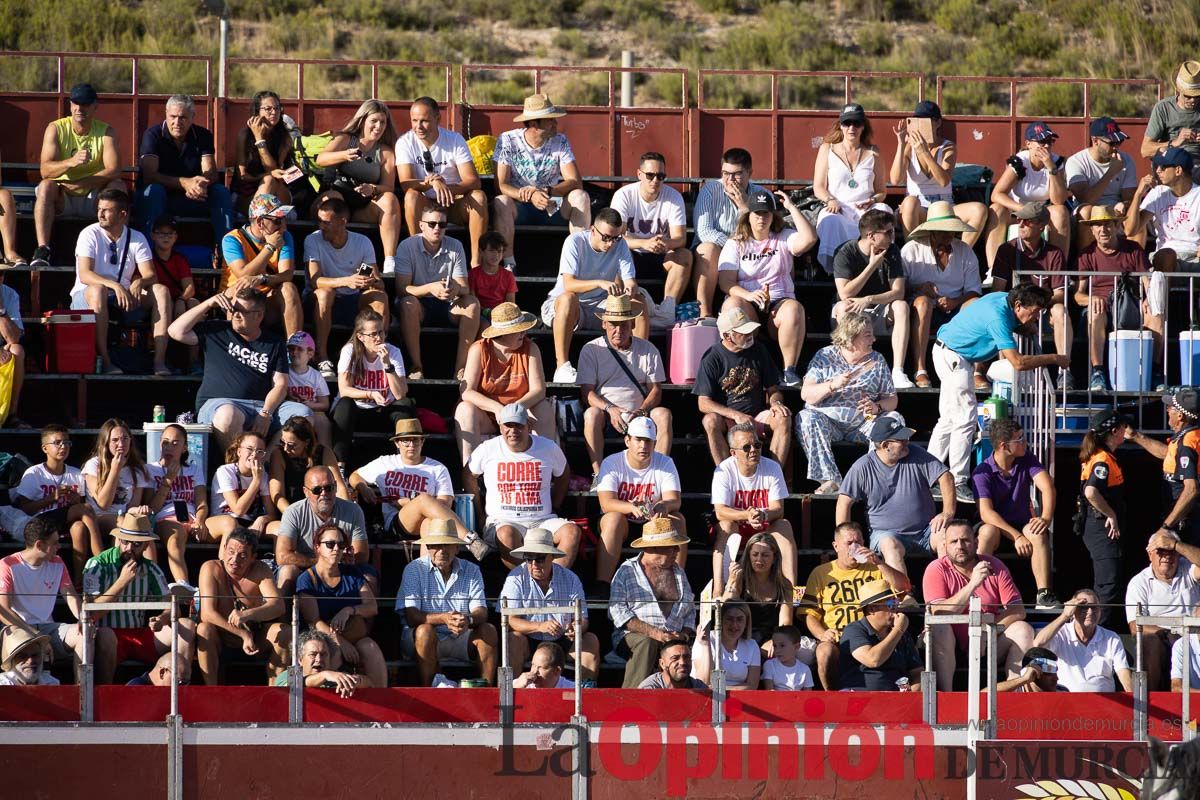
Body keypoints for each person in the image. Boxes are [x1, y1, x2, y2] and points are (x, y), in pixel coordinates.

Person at [928, 284, 1067, 491]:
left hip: (947, 351)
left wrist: (1021, 325)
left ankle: (927, 476)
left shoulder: (1005, 299)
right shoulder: (998, 317)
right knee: (965, 418)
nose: (1037, 318)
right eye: (1035, 312)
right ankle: (958, 481)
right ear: (1018, 305)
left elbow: (1010, 322)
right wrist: (1055, 358)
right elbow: (1018, 362)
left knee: (948, 420)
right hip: (955, 357)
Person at [169, 284, 306, 455]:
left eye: (243, 311)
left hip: (260, 406)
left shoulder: (274, 342)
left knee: (303, 414)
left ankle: (265, 462)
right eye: (234, 309)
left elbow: (280, 384)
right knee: (228, 415)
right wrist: (208, 303)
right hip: (218, 404)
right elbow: (175, 331)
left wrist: (266, 413)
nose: (236, 315)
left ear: (259, 315)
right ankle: (238, 469)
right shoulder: (217, 330)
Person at [82, 510, 194, 685]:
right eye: (125, 542)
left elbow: (172, 608)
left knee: (186, 626)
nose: (129, 548)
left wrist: (161, 618)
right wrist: (122, 581)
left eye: (136, 544)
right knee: (105, 635)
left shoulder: (151, 569)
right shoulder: (97, 564)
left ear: (145, 545)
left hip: (139, 634)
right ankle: (104, 694)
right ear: (118, 539)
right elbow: (91, 614)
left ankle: (181, 688)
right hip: (108, 635)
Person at [837, 416, 956, 579]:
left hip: (926, 531)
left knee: (946, 535)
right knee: (890, 545)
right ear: (886, 445)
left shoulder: (916, 453)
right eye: (901, 439)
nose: (907, 441)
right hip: (886, 533)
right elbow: (844, 503)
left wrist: (947, 513)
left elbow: (946, 477)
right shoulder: (862, 467)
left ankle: (950, 588)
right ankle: (904, 596)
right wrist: (845, 539)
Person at [717, 190, 815, 385]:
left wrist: (791, 207)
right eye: (757, 213)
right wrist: (750, 295)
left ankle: (790, 370)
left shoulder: (784, 236)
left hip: (779, 302)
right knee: (731, 306)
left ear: (773, 216)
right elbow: (725, 282)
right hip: (749, 302)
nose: (761, 218)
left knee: (794, 309)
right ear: (748, 216)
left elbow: (810, 238)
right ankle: (740, 366)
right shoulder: (735, 243)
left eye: (766, 213)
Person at [797, 311, 902, 495]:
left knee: (894, 418)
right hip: (828, 422)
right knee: (806, 418)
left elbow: (892, 399)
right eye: (868, 335)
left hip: (863, 424)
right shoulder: (825, 356)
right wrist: (832, 385)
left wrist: (877, 407)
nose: (874, 339)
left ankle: (876, 479)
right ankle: (831, 480)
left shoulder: (877, 360)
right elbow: (807, 394)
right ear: (850, 338)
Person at [924, 520, 1034, 691]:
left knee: (1023, 629)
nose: (960, 546)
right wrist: (973, 584)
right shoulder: (936, 568)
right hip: (951, 645)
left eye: (965, 540)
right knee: (940, 626)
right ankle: (947, 698)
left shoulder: (995, 565)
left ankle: (1015, 693)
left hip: (988, 642)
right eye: (954, 542)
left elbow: (1017, 610)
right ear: (945, 545)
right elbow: (939, 612)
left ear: (976, 543)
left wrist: (986, 631)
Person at [72, 188, 173, 375]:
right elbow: (85, 274)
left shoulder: (137, 237)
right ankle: (106, 361)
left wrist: (139, 283)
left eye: (106, 210)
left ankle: (159, 361)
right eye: (99, 209)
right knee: (98, 290)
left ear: (122, 215)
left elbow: (151, 275)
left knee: (160, 290)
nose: (100, 214)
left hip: (122, 299)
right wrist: (115, 285)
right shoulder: (89, 233)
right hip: (87, 296)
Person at [800, 521, 911, 690]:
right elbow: (809, 614)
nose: (855, 547)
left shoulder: (875, 568)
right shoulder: (821, 573)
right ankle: (833, 700)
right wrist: (823, 634)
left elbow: (904, 588)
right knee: (824, 651)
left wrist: (878, 562)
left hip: (871, 636)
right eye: (849, 543)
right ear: (836, 546)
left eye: (859, 542)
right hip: (839, 640)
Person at [542, 208, 648, 383]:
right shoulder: (574, 241)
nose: (611, 243)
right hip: (566, 307)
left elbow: (630, 280)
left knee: (639, 302)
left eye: (615, 238)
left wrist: (630, 287)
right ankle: (562, 366)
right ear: (592, 230)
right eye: (606, 237)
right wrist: (600, 282)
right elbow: (569, 284)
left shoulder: (620, 244)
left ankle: (637, 365)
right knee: (569, 298)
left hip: (600, 306)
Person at [467, 402, 579, 568]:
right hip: (503, 520)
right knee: (506, 534)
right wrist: (479, 512)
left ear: (528, 426)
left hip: (542, 519)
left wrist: (556, 505)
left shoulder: (548, 447)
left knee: (572, 531)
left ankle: (554, 581)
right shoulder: (488, 449)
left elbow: (563, 474)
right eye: (508, 425)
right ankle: (527, 585)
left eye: (518, 425)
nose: (513, 431)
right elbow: (469, 475)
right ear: (500, 427)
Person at [454, 302, 556, 477]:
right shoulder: (479, 349)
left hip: (522, 413)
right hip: (488, 415)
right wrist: (499, 410)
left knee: (544, 408)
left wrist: (514, 411)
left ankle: (547, 472)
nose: (524, 333)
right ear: (503, 333)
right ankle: (471, 475)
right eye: (519, 329)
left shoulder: (531, 348)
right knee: (464, 409)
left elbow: (539, 390)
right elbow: (467, 391)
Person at [492, 93, 591, 266]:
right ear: (534, 124)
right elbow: (500, 185)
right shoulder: (508, 139)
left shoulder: (560, 140)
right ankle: (508, 265)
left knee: (581, 197)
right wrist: (529, 196)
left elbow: (575, 181)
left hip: (551, 205)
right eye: (550, 119)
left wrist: (546, 191)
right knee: (501, 202)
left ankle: (579, 263)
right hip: (520, 207)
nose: (555, 123)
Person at [971, 418, 1060, 610]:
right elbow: (986, 512)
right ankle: (979, 592)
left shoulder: (1026, 458)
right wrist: (1016, 536)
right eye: (1019, 439)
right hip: (998, 527)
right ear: (1004, 446)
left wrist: (1045, 517)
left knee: (1036, 531)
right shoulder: (982, 472)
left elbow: (1047, 487)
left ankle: (1044, 594)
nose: (1025, 442)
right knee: (987, 532)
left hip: (1022, 524)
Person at [32, 82, 124, 268]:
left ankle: (117, 247)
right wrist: (71, 162)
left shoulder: (106, 132)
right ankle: (43, 249)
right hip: (62, 197)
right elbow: (45, 170)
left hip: (95, 198)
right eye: (76, 103)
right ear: (70, 105)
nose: (79, 108)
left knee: (118, 187)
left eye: (85, 104)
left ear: (95, 106)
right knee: (45, 186)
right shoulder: (56, 128)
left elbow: (114, 169)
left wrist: (83, 183)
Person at [397, 519, 498, 686]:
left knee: (488, 630)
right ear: (428, 548)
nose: (442, 550)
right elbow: (411, 616)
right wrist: (444, 618)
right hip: (422, 639)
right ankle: (430, 693)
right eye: (436, 545)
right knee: (424, 631)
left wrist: (468, 620)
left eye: (448, 544)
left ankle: (485, 692)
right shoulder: (414, 569)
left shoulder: (472, 570)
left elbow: (481, 611)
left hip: (460, 636)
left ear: (457, 548)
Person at [579, 293, 671, 476]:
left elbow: (655, 390)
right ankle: (598, 474)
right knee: (591, 414)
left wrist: (642, 411)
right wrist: (610, 408)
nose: (618, 330)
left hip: (640, 412)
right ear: (604, 324)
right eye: (613, 324)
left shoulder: (648, 349)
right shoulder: (591, 349)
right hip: (607, 414)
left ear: (633, 325)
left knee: (663, 414)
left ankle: (658, 474)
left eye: (623, 325)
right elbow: (587, 392)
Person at [1075, 205, 1162, 393]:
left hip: (1130, 304)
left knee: (1155, 313)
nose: (1103, 229)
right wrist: (1090, 299)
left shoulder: (1133, 249)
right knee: (1095, 313)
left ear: (1117, 226)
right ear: (1092, 230)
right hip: (1102, 308)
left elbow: (1147, 282)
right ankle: (1097, 372)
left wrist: (1148, 299)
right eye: (1097, 225)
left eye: (1108, 224)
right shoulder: (1086, 254)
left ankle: (1155, 372)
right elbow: (1078, 294)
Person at [0, 515, 100, 676]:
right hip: (18, 628)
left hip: (48, 628)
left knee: (84, 634)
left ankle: (82, 692)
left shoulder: (58, 562)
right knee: (25, 645)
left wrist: (83, 619)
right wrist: (37, 637)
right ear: (40, 545)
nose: (59, 546)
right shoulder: (7, 564)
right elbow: (3, 611)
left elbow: (71, 596)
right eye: (54, 543)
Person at [350, 417, 474, 548]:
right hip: (397, 524)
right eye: (405, 441)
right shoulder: (385, 463)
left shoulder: (438, 468)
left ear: (422, 441)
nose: (411, 445)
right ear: (397, 443)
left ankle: (425, 567)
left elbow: (445, 504)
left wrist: (411, 504)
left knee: (427, 521)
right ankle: (470, 539)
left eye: (415, 439)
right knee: (424, 499)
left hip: (432, 523)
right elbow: (354, 476)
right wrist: (363, 487)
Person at [695, 307, 792, 469]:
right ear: (727, 336)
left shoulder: (759, 349)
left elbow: (773, 389)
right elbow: (703, 403)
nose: (750, 335)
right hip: (728, 419)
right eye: (743, 332)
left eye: (750, 330)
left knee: (783, 417)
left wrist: (776, 404)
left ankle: (776, 473)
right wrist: (735, 415)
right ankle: (726, 474)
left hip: (757, 416)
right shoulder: (712, 357)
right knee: (710, 420)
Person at [499, 529, 599, 683]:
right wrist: (539, 626)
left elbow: (583, 618)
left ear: (552, 557)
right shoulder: (515, 578)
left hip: (563, 640)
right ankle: (510, 694)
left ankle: (587, 695)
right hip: (530, 639)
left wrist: (575, 627)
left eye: (539, 559)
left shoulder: (571, 579)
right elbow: (511, 620)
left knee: (590, 640)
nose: (533, 565)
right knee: (513, 639)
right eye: (528, 558)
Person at [397, 96, 488, 267]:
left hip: (453, 202)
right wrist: (432, 182)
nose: (418, 126)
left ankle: (476, 262)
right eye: (414, 121)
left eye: (424, 121)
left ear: (437, 119)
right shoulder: (404, 142)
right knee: (411, 196)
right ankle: (417, 258)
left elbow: (474, 181)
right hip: (425, 205)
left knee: (479, 197)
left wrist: (446, 188)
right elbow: (406, 183)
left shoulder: (454, 140)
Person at [989, 202, 1071, 389]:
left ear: (1041, 225)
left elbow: (1059, 294)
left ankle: (1064, 372)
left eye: (1027, 221)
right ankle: (1007, 376)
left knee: (1060, 310)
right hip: (1014, 310)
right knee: (1002, 314)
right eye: (1019, 220)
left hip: (1043, 309)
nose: (1021, 224)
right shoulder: (1006, 250)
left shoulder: (1054, 253)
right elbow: (998, 292)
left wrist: (1036, 306)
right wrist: (1024, 310)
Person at [595, 416, 684, 587]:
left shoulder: (665, 462)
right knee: (614, 519)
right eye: (639, 440)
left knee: (677, 519)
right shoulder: (612, 462)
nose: (643, 446)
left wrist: (662, 505)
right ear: (627, 440)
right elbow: (606, 503)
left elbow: (674, 500)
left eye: (648, 441)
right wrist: (630, 507)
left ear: (654, 443)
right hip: (623, 524)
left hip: (653, 522)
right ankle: (602, 584)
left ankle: (678, 583)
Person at [315, 99, 402, 274]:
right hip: (337, 198)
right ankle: (324, 258)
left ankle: (390, 261)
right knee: (333, 202)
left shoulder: (385, 152)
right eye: (374, 121)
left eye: (383, 122)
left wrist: (373, 188)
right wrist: (344, 155)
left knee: (390, 200)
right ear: (362, 121)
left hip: (362, 205)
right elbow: (321, 159)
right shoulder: (346, 140)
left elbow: (388, 187)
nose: (378, 126)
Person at [295, 523, 387, 689]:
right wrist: (340, 642)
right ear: (317, 547)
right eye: (330, 544)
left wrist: (349, 610)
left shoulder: (352, 573)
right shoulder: (307, 579)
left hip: (351, 634)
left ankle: (382, 703)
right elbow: (313, 622)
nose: (336, 548)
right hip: (320, 639)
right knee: (332, 654)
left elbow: (372, 607)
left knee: (370, 647)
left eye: (341, 545)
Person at [609, 517, 696, 688]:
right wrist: (656, 634)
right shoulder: (627, 571)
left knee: (700, 645)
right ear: (654, 548)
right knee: (646, 644)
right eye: (672, 547)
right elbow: (617, 612)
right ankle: (632, 703)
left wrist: (683, 635)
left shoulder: (679, 572)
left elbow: (689, 611)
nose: (677, 550)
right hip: (632, 637)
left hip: (674, 638)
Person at [900, 201, 980, 388]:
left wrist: (956, 301)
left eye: (951, 230)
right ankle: (920, 369)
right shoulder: (911, 250)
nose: (949, 234)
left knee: (975, 303)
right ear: (932, 231)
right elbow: (899, 288)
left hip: (957, 309)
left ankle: (977, 370)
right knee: (922, 303)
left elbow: (974, 289)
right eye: (944, 230)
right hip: (921, 309)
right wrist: (919, 288)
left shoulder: (965, 251)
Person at [395, 204, 480, 380]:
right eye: (432, 224)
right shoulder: (407, 246)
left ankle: (461, 368)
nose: (437, 228)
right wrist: (430, 288)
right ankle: (416, 365)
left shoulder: (455, 245)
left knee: (472, 304)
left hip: (447, 303)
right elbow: (402, 289)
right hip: (420, 304)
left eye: (442, 225)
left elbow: (465, 288)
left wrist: (455, 288)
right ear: (421, 225)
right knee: (407, 304)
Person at [195, 527, 289, 685]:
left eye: (243, 555)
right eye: (231, 552)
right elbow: (207, 614)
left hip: (255, 637)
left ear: (253, 557)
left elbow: (278, 605)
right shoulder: (210, 568)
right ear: (224, 549)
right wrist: (242, 634)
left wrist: (249, 614)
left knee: (285, 633)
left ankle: (276, 690)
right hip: (221, 638)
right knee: (204, 629)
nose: (234, 560)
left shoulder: (260, 570)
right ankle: (211, 691)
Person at [305, 196, 387, 376]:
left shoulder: (362, 241)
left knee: (379, 297)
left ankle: (373, 356)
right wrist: (347, 280)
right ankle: (322, 356)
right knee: (325, 293)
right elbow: (314, 280)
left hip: (353, 299)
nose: (321, 226)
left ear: (343, 222)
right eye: (319, 221)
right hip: (321, 300)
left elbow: (378, 280)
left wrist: (370, 281)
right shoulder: (313, 240)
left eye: (326, 222)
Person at [830, 208, 911, 388]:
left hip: (877, 307)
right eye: (888, 232)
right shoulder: (846, 251)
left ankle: (897, 371)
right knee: (843, 306)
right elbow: (844, 293)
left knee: (901, 306)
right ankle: (847, 367)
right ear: (871, 235)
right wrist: (872, 266)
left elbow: (898, 292)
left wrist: (868, 299)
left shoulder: (892, 251)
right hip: (851, 311)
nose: (893, 236)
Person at [136, 94, 234, 242]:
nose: (177, 122)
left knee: (220, 192)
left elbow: (210, 172)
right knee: (154, 191)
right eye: (173, 116)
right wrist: (184, 182)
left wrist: (201, 184)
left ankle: (227, 255)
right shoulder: (153, 135)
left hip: (194, 197)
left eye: (183, 118)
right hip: (162, 198)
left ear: (193, 116)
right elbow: (149, 176)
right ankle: (149, 257)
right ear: (166, 114)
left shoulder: (203, 135)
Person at [889, 100, 987, 244]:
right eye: (918, 121)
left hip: (944, 204)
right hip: (918, 206)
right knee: (909, 202)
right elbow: (895, 180)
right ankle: (912, 253)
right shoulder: (909, 147)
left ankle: (960, 255)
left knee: (979, 210)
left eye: (926, 121)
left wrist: (924, 152)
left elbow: (943, 181)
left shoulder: (948, 147)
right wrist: (901, 144)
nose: (921, 125)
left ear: (937, 123)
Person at [711, 422, 797, 587]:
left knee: (784, 525)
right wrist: (747, 515)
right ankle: (718, 589)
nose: (753, 450)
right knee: (726, 526)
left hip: (763, 527)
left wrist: (763, 515)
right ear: (733, 453)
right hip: (737, 527)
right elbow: (720, 512)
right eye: (746, 447)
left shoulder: (772, 467)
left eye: (757, 445)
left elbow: (778, 509)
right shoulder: (724, 470)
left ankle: (790, 590)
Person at [12, 424, 99, 579]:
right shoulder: (34, 473)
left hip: (65, 522)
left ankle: (79, 581)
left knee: (79, 527)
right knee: (84, 508)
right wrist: (51, 498)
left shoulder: (76, 474)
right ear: (45, 448)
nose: (63, 446)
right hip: (40, 522)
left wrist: (74, 501)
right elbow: (25, 509)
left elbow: (77, 507)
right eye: (57, 442)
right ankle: (101, 558)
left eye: (66, 442)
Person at [329, 309, 411, 467]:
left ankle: (406, 465)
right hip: (357, 410)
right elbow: (345, 389)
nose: (379, 338)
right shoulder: (350, 351)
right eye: (373, 334)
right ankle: (339, 467)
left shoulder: (393, 352)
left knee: (405, 405)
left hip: (383, 410)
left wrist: (387, 364)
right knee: (345, 404)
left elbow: (401, 394)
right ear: (361, 337)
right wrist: (371, 394)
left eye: (381, 332)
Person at [984, 121, 1071, 266]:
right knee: (997, 209)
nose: (1047, 146)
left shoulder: (1056, 162)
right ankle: (994, 268)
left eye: (1050, 141)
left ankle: (1060, 270)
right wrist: (1023, 210)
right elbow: (997, 194)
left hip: (1043, 211)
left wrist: (1051, 169)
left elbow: (1059, 200)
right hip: (1018, 210)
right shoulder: (1020, 162)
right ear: (1028, 144)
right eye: (1042, 142)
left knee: (1061, 212)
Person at [813, 104, 888, 271]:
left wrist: (872, 200)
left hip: (866, 208)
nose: (852, 128)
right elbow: (818, 187)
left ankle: (879, 265)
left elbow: (882, 191)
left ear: (863, 126)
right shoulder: (827, 149)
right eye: (847, 123)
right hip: (837, 207)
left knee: (884, 210)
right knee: (830, 219)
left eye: (857, 123)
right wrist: (830, 200)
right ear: (840, 125)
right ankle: (836, 272)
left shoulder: (874, 152)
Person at [692, 147, 766, 317]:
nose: (730, 180)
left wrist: (744, 208)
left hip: (750, 254)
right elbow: (704, 232)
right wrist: (732, 246)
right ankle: (705, 313)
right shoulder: (710, 190)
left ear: (750, 173)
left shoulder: (761, 195)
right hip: (716, 254)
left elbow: (766, 233)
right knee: (708, 249)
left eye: (737, 174)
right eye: (725, 173)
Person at [611, 151, 692, 304]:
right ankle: (621, 307)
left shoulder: (674, 197)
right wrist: (644, 243)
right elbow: (616, 238)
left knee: (685, 256)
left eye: (660, 176)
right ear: (639, 174)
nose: (655, 180)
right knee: (613, 252)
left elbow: (680, 239)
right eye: (650, 175)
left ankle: (667, 309)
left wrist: (664, 244)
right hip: (631, 253)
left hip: (661, 254)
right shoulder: (624, 195)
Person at [275, 466, 371, 596]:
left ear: (336, 487)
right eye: (316, 490)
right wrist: (324, 562)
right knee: (287, 572)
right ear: (305, 491)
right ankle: (284, 616)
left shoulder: (353, 511)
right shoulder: (293, 512)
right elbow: (282, 556)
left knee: (369, 577)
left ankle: (364, 614)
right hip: (306, 568)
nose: (323, 493)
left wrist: (337, 563)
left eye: (328, 488)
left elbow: (362, 554)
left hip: (343, 568)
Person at [1124, 531, 1200, 690]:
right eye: (1160, 551)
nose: (1166, 556)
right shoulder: (1139, 583)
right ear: (1149, 554)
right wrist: (1173, 633)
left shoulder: (1188, 569)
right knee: (1149, 641)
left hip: (1195, 636)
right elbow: (1135, 627)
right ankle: (1152, 705)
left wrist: (1176, 544)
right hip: (1162, 638)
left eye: (1171, 551)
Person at [220, 192, 303, 337]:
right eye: (277, 221)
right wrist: (270, 247)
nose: (283, 226)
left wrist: (262, 279)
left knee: (289, 289)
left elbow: (287, 274)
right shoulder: (232, 239)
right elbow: (243, 274)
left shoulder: (285, 237)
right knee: (240, 289)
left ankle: (295, 349)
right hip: (237, 297)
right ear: (260, 222)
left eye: (284, 219)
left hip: (266, 299)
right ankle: (235, 348)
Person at [1077, 408, 1131, 622]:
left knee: (1108, 582)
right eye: (1124, 428)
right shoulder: (1102, 460)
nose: (1127, 432)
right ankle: (1097, 632)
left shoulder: (1101, 456)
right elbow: (1091, 491)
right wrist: (1111, 514)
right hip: (1100, 527)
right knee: (1108, 585)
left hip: (1094, 526)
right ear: (1115, 431)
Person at [1129, 389, 1200, 545]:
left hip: (1188, 521)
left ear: (1180, 415)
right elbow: (1168, 454)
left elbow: (1192, 489)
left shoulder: (1187, 443)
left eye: (1170, 408)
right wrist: (1135, 436)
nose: (1167, 410)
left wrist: (1167, 526)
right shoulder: (1191, 436)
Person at [1032, 589, 1133, 693]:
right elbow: (1038, 643)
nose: (1090, 612)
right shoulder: (1061, 633)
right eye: (1083, 607)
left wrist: (1134, 701)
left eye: (1094, 607)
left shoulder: (1111, 637)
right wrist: (1065, 615)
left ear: (1100, 610)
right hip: (1066, 701)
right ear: (1073, 609)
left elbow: (1123, 672)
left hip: (1104, 704)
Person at [147, 422, 209, 584]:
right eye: (165, 442)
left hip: (192, 518)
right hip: (165, 519)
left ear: (184, 448)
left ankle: (226, 583)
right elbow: (151, 508)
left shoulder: (194, 469)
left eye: (175, 443)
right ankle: (184, 586)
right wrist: (168, 481)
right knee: (176, 537)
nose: (169, 447)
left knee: (228, 524)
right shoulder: (149, 470)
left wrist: (200, 521)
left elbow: (201, 502)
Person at [1066, 117, 1138, 250]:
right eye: (1112, 143)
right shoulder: (1076, 161)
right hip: (1088, 210)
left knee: (1136, 213)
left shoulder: (1126, 160)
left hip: (1115, 209)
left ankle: (1134, 262)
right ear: (1095, 141)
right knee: (1087, 210)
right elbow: (1085, 199)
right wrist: (1111, 173)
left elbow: (1129, 198)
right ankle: (1085, 263)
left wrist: (1125, 204)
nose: (1116, 147)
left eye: (1119, 141)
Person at [1125, 146, 1200, 272]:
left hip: (1194, 259)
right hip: (1164, 257)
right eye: (1157, 166)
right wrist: (1138, 194)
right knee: (1166, 255)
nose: (1158, 171)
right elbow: (1130, 231)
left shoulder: (1198, 195)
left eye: (1163, 167)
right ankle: (1163, 292)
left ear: (1178, 170)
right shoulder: (1158, 192)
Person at [718, 531, 794, 654]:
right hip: (741, 638)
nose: (759, 559)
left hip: (771, 640)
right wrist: (732, 582)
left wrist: (775, 641)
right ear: (748, 556)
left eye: (765, 555)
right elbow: (724, 610)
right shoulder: (740, 579)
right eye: (755, 554)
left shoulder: (784, 585)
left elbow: (785, 622)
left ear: (774, 558)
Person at [837, 579, 920, 691]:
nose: (895, 608)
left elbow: (917, 672)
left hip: (898, 701)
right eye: (890, 604)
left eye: (895, 602)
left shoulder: (902, 634)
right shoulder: (854, 630)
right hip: (859, 700)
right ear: (872, 609)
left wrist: (910, 697)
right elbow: (873, 660)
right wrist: (898, 630)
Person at [232, 90, 309, 210]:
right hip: (248, 192)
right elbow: (242, 176)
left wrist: (260, 140)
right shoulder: (245, 135)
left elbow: (273, 170)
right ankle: (261, 220)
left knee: (270, 181)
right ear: (258, 111)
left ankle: (263, 220)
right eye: (268, 109)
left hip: (279, 189)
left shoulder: (284, 136)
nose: (274, 112)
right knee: (268, 180)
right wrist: (266, 175)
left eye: (277, 108)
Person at [81, 418, 152, 537]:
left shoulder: (137, 471)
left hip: (124, 519)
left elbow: (131, 508)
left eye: (125, 439)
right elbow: (103, 504)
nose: (121, 444)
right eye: (115, 440)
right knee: (126, 526)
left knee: (144, 535)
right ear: (106, 443)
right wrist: (115, 470)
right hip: (98, 517)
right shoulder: (94, 465)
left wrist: (138, 511)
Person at [147, 216, 200, 372]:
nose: (166, 237)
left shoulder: (179, 259)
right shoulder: (147, 258)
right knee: (165, 300)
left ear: (176, 237)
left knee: (194, 304)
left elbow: (190, 287)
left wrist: (181, 300)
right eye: (161, 233)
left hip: (178, 301)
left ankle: (194, 361)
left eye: (170, 234)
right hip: (156, 301)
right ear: (153, 235)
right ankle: (162, 360)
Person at [267, 416, 348, 518]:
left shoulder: (324, 452)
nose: (285, 448)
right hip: (292, 512)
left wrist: (346, 513)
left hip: (322, 511)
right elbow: (277, 495)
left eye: (291, 445)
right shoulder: (279, 455)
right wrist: (297, 518)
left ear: (306, 442)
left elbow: (340, 487)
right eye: (282, 442)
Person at [207, 432, 274, 539]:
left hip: (251, 522)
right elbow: (238, 510)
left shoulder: (263, 475)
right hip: (224, 520)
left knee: (278, 527)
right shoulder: (225, 471)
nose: (254, 454)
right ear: (239, 451)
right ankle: (224, 556)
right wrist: (256, 480)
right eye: (250, 449)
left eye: (259, 451)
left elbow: (271, 513)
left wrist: (262, 519)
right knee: (231, 524)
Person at [273, 628, 372, 697]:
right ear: (300, 659)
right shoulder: (288, 675)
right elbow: (290, 686)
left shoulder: (336, 677)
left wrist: (356, 681)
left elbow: (370, 684)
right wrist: (324, 675)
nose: (319, 659)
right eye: (313, 654)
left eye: (324, 654)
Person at [1140, 61, 1200, 169]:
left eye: (1197, 96)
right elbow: (1145, 150)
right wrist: (1175, 142)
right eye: (1188, 96)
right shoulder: (1163, 108)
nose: (1193, 100)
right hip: (1171, 163)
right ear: (1178, 90)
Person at [690, 600, 761, 690]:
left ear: (746, 623)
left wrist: (722, 689)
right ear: (720, 620)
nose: (734, 625)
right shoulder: (705, 638)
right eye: (729, 619)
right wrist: (705, 645)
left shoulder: (752, 645)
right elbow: (703, 681)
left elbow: (752, 685)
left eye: (739, 619)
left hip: (738, 698)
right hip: (707, 697)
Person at [283, 332, 333, 448]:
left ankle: (325, 455)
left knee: (323, 421)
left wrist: (310, 405)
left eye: (299, 349)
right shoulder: (284, 372)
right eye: (291, 349)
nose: (294, 352)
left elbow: (325, 404)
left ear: (310, 353)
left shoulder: (316, 376)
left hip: (312, 410)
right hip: (290, 410)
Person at [469, 232, 517, 316]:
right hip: (479, 315)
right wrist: (486, 313)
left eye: (499, 251)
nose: (496, 255)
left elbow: (510, 304)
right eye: (491, 251)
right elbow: (471, 300)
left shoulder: (508, 275)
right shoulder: (473, 274)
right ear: (481, 251)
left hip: (502, 316)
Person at [637, 637, 707, 689]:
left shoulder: (699, 688)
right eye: (675, 658)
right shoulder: (649, 689)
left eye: (687, 657)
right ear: (662, 664)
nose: (682, 662)